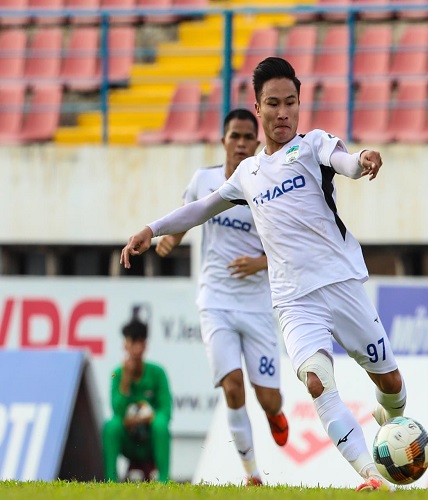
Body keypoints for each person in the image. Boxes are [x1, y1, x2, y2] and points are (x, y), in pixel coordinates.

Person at [120, 57, 406, 491]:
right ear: (259, 108)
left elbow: (345, 162)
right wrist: (152, 228)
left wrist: (363, 158)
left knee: (391, 383)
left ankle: (391, 415)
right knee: (316, 382)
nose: (283, 112)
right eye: (273, 104)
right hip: (294, 301)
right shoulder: (248, 174)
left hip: (341, 284)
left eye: (291, 102)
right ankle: (370, 475)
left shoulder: (313, 145)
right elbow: (201, 208)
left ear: (299, 103)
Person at [154, 108, 289, 486]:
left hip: (257, 305)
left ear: (257, 142)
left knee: (268, 398)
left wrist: (259, 263)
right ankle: (252, 475)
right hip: (215, 302)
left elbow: (289, 247)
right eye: (235, 136)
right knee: (231, 386)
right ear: (223, 141)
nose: (241, 143)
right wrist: (171, 239)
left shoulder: (270, 187)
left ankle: (275, 413)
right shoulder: (205, 180)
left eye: (248, 137)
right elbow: (188, 214)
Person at [103, 306, 172, 483]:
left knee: (161, 425)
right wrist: (125, 381)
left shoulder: (157, 373)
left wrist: (148, 418)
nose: (134, 349)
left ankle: (164, 480)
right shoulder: (117, 374)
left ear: (144, 345)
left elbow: (166, 410)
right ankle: (111, 481)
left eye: (138, 343)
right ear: (125, 345)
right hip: (129, 440)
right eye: (130, 343)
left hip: (150, 439)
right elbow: (117, 411)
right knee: (111, 427)